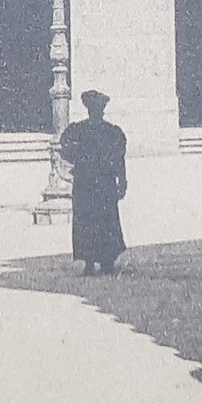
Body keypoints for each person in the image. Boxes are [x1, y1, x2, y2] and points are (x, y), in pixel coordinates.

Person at [59, 90, 127, 276]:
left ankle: (103, 262)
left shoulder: (108, 132)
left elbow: (119, 159)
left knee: (101, 221)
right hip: (91, 183)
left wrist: (122, 180)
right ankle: (92, 262)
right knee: (90, 221)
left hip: (95, 183)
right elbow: (65, 148)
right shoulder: (86, 130)